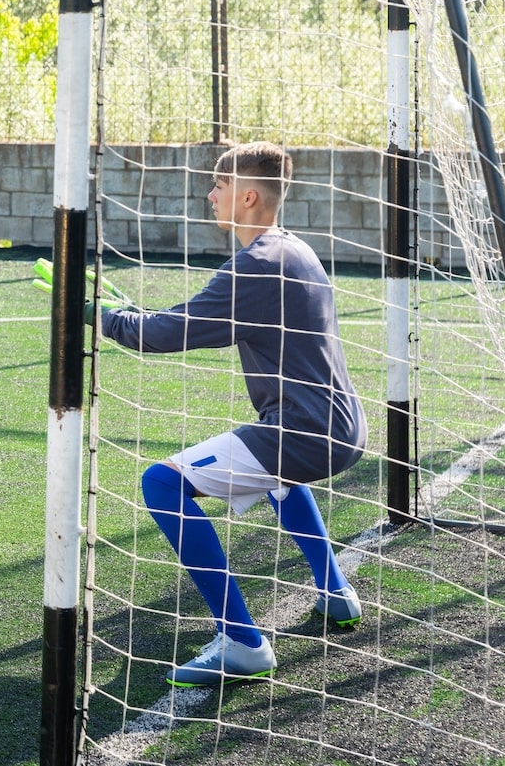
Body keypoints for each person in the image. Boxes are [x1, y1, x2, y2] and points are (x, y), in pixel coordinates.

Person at [94, 141, 367, 687]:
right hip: (340, 425)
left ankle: (243, 643)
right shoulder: (292, 248)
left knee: (160, 483)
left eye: (217, 186)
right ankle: (336, 594)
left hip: (309, 431)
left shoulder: (258, 265)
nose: (209, 194)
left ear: (245, 197)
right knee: (275, 473)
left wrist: (103, 319)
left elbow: (169, 332)